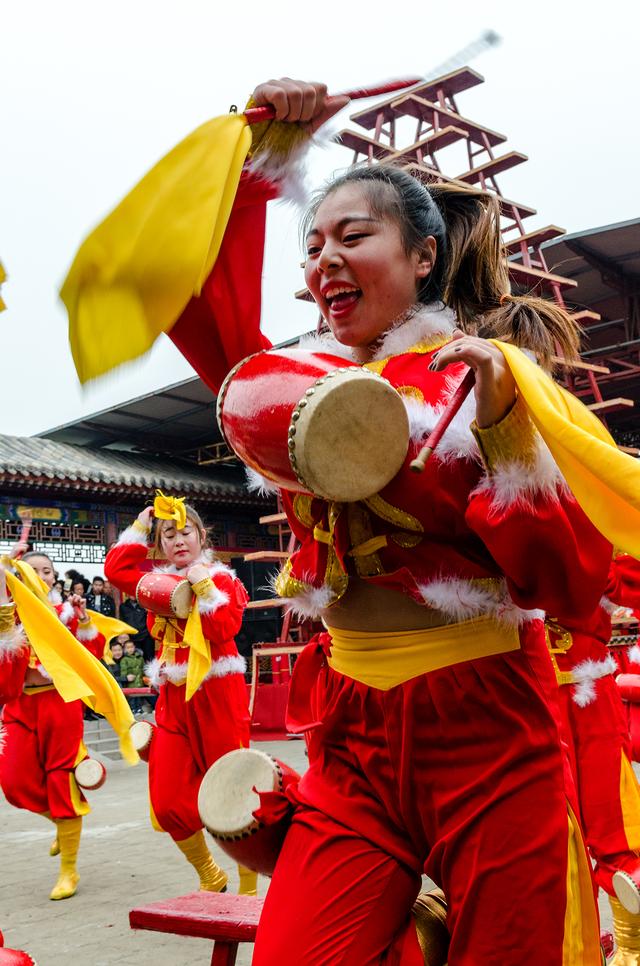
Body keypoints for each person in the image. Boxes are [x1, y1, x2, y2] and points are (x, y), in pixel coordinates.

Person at [192, 79, 616, 964]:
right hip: (352, 735)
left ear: (423, 256)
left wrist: (503, 432)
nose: (323, 262)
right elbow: (198, 290)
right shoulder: (290, 385)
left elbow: (571, 589)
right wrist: (264, 156)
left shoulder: (488, 378)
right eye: (312, 246)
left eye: (354, 237)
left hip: (490, 730)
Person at [105, 495, 258, 896]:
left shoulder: (223, 579)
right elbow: (116, 569)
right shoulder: (156, 582)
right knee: (168, 797)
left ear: (201, 535)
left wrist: (202, 585)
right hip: (173, 699)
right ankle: (209, 873)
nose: (177, 540)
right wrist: (139, 528)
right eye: (167, 535)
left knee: (233, 789)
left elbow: (224, 628)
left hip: (216, 694)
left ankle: (249, 883)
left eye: (185, 531)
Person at [548, 554, 640, 963]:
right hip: (519, 685)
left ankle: (632, 949)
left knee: (617, 826)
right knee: (548, 837)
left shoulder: (593, 500)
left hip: (587, 682)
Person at [0, 548, 106, 900]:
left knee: (61, 780)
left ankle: (69, 870)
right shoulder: (8, 615)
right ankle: (63, 827)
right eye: (32, 570)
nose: (41, 576)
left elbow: (91, 655)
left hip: (61, 702)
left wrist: (87, 621)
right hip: (20, 706)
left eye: (47, 571)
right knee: (13, 783)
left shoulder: (65, 613)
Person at [119, 593, 155, 662]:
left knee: (149, 658)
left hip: (146, 636)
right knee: (135, 659)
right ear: (127, 594)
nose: (132, 595)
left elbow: (150, 619)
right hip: (132, 637)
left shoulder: (144, 605)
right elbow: (122, 621)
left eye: (134, 592)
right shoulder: (123, 606)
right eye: (130, 592)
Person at [119, 636, 145, 714]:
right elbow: (123, 671)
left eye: (131, 647)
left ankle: (139, 709)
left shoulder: (140, 658)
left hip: (139, 681)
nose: (130, 649)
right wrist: (126, 677)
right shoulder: (124, 659)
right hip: (131, 683)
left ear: (134, 647)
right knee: (132, 697)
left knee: (139, 697)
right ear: (124, 649)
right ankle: (133, 709)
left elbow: (143, 668)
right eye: (128, 648)